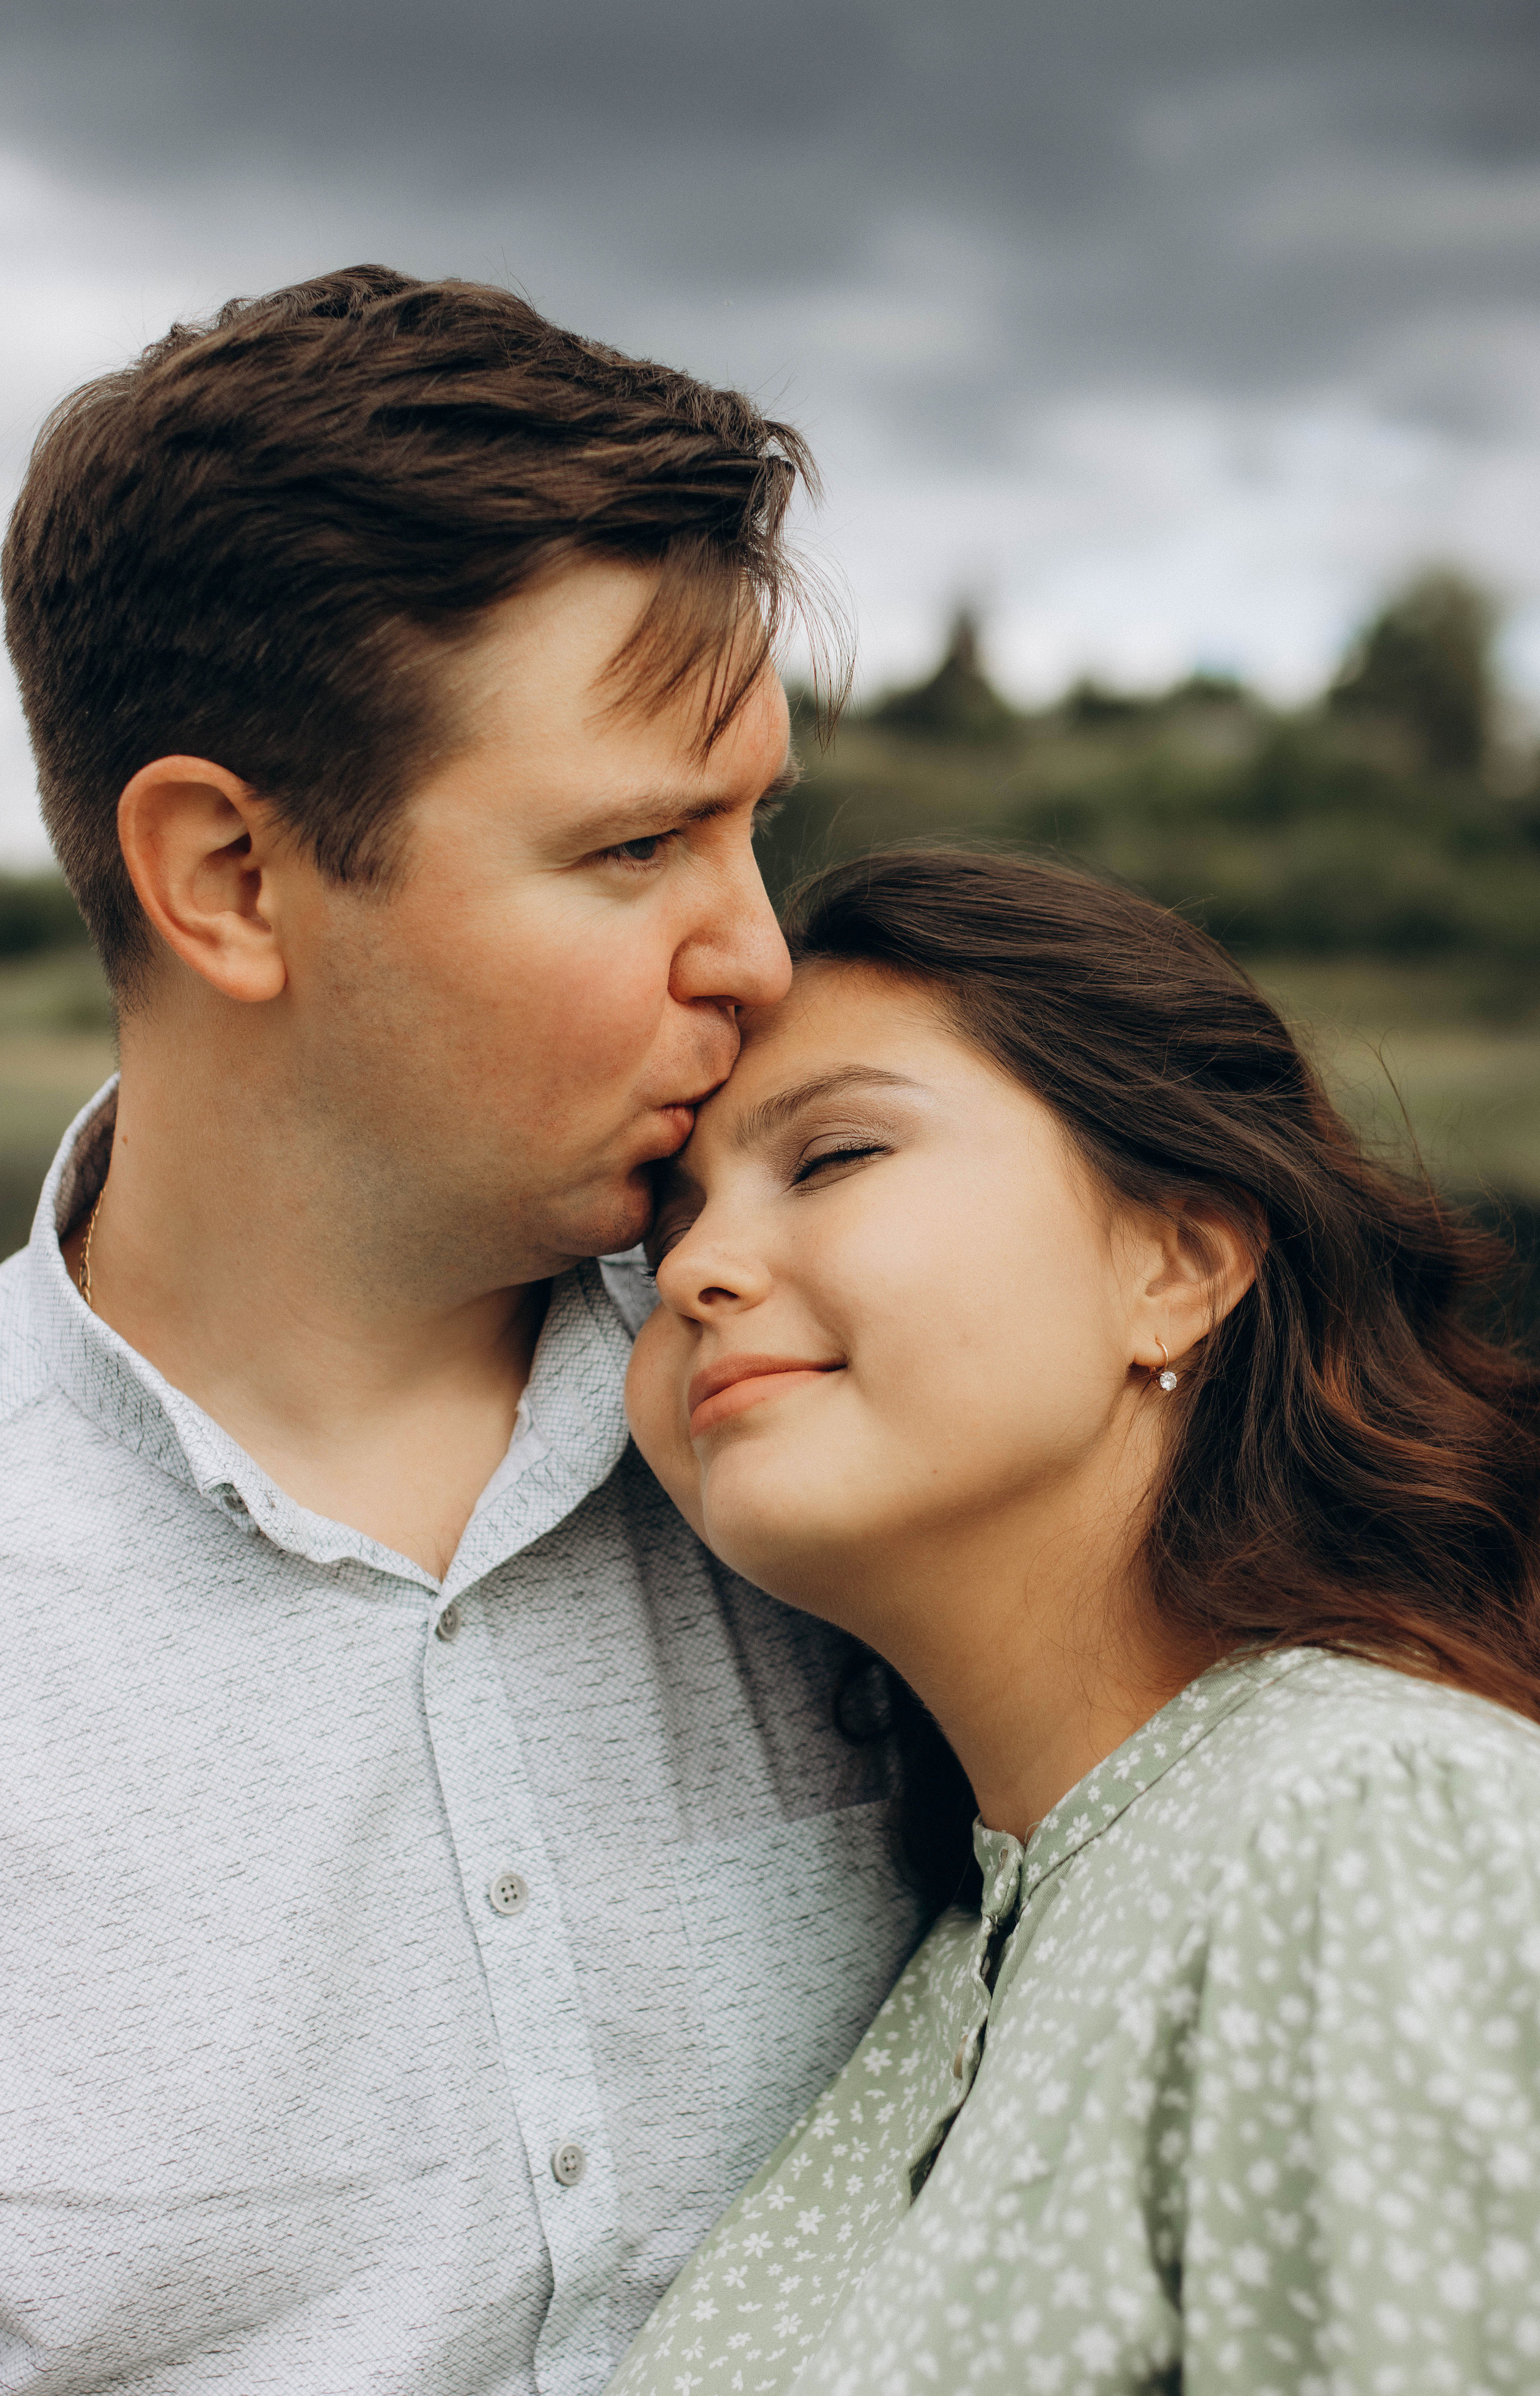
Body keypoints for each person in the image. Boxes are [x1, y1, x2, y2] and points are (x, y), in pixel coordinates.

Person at [0, 270, 929, 2395]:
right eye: (641, 845)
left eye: (756, 826)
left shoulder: (868, 1424)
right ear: (229, 875)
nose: (764, 958)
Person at [614, 848, 1540, 2394]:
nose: (694, 1271)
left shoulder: (1376, 1828)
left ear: (1174, 1262)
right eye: (661, 1226)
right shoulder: (973, 1946)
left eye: (831, 1157)